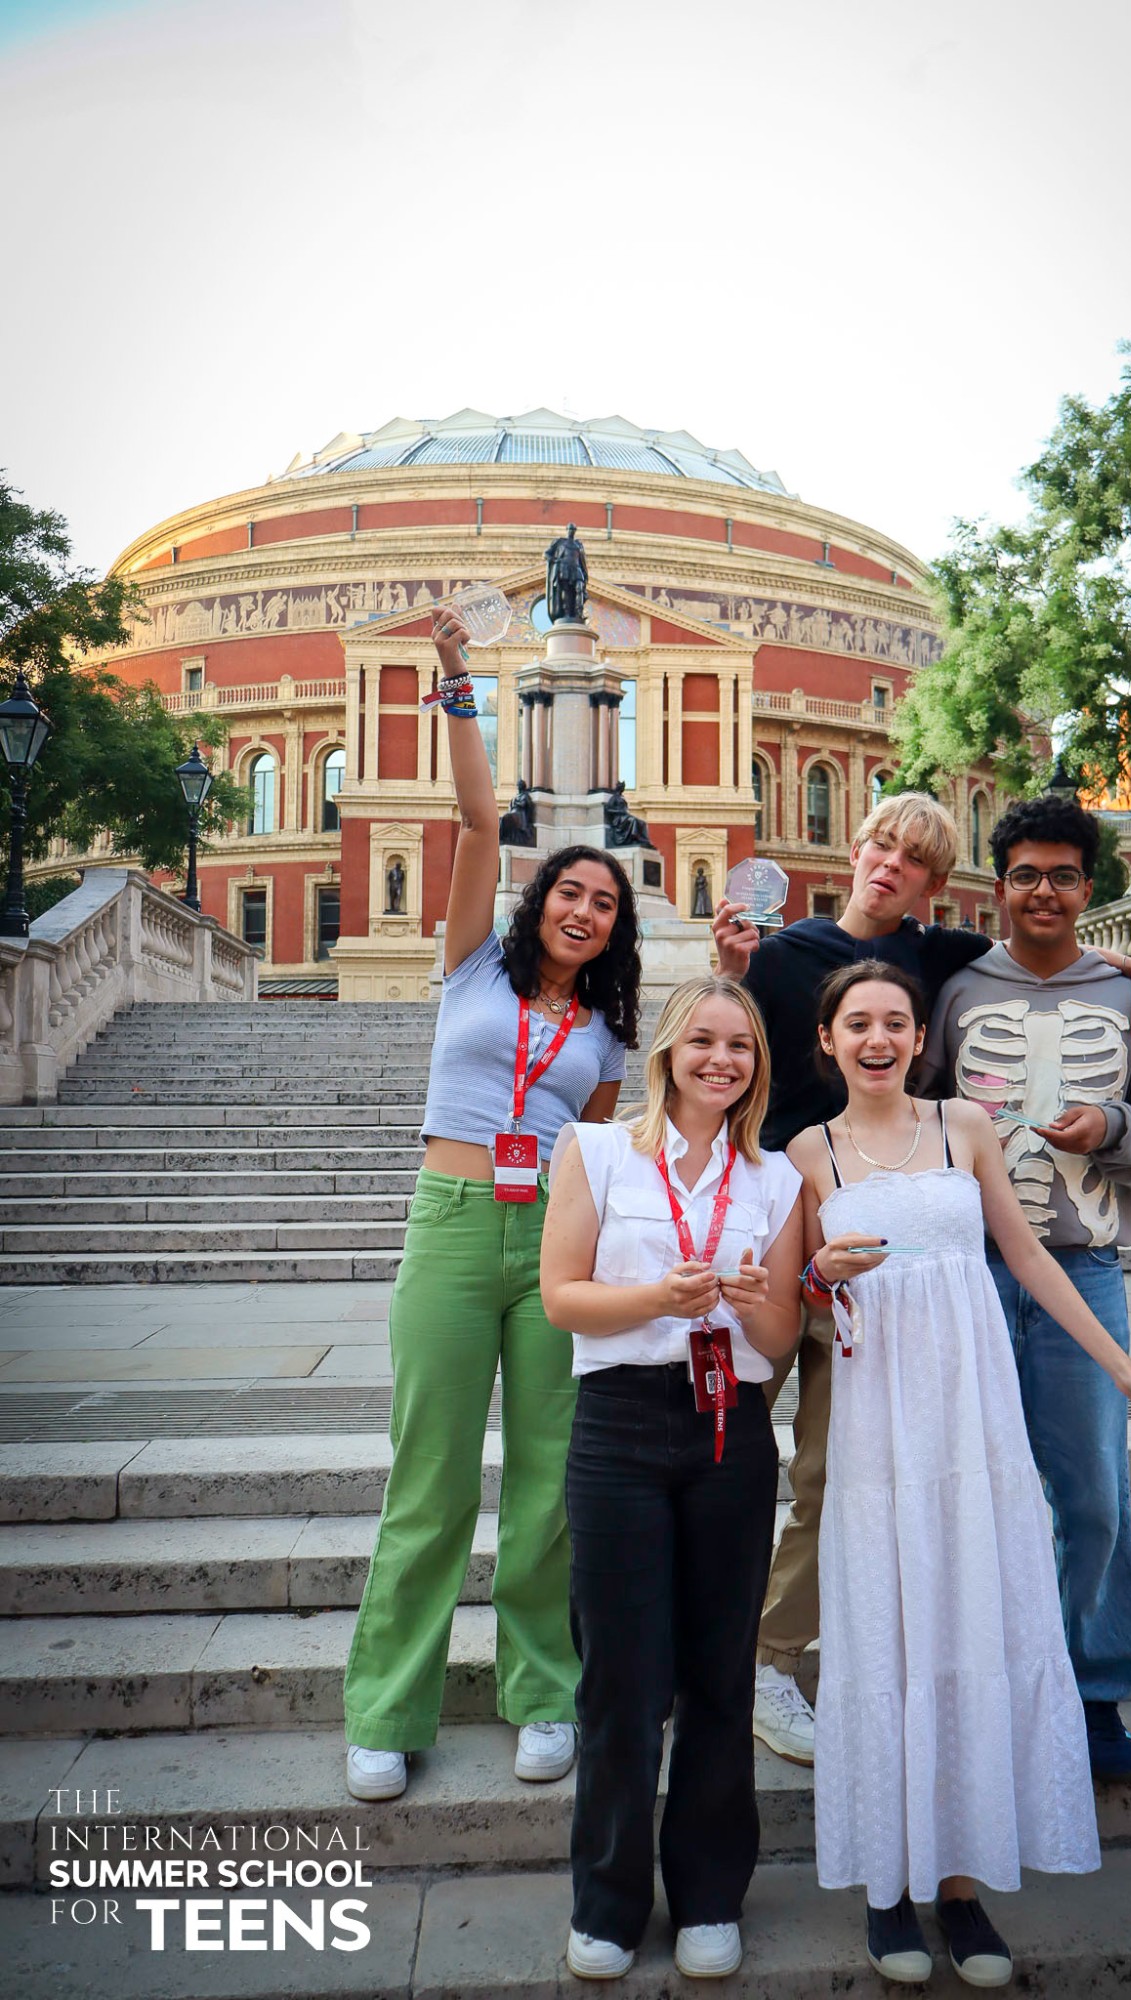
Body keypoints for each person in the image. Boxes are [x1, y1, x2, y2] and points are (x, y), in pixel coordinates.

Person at [711, 791, 1131, 1767]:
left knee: (867, 1474)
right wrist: (724, 975)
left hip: (906, 1254)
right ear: (857, 847)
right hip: (782, 1228)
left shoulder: (943, 960)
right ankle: (709, 1653)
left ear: (936, 883)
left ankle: (1068, 1688)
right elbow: (714, 1064)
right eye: (881, 843)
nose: (891, 864)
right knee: (733, 1458)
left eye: (916, 858)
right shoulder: (782, 957)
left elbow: (1052, 963)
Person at [790, 961, 1131, 1989]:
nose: (878, 1038)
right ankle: (887, 1880)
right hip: (879, 1427)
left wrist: (1122, 1371)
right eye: (857, 1023)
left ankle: (960, 1883)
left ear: (916, 1036)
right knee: (887, 1627)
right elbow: (791, 1300)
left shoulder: (964, 1126)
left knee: (969, 1621)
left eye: (895, 1021)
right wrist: (815, 1276)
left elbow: (1027, 1256)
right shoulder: (804, 1153)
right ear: (827, 1040)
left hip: (971, 1422)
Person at [343, 605, 640, 1802]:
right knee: (429, 1476)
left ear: (614, 927)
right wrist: (457, 679)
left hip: (552, 1244)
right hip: (454, 1223)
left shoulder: (606, 1032)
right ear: (538, 901)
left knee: (549, 1482)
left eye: (603, 901)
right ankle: (386, 1707)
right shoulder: (471, 964)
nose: (583, 908)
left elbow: (601, 1152)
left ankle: (543, 1691)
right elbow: (475, 818)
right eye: (570, 890)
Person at [918, 794, 1131, 1783]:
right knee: (964, 1488)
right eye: (1026, 875)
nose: (1044, 891)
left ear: (1089, 887)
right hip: (967, 1271)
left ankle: (1093, 1689)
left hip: (1083, 1266)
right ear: (998, 886)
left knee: (1093, 1493)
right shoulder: (954, 990)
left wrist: (1110, 1127)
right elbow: (912, 1113)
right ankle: (984, 1682)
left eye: (1063, 875)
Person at [541, 976, 804, 1982]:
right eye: (702, 1040)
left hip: (729, 1426)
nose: (720, 1060)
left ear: (757, 1065)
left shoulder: (775, 1179)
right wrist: (658, 1294)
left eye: (740, 1045)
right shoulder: (596, 1148)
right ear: (666, 1050)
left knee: (718, 1670)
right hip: (617, 1424)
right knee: (621, 1675)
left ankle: (707, 1893)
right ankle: (607, 1900)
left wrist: (751, 1300)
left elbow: (777, 1337)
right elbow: (562, 1297)